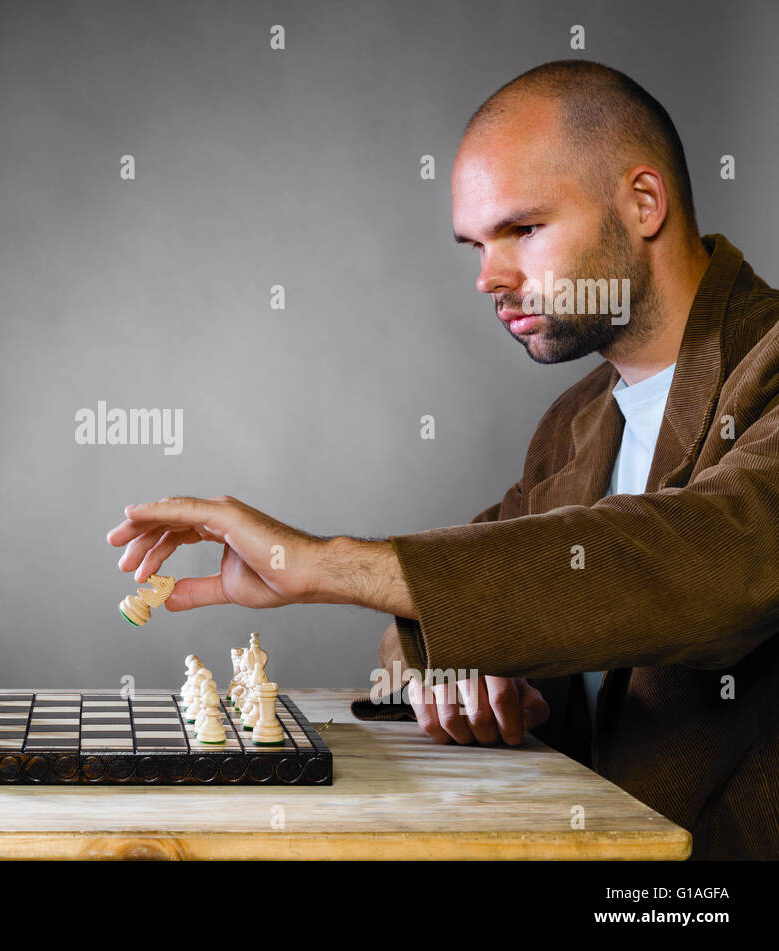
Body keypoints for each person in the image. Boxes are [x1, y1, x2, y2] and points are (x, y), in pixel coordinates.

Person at [106, 60, 779, 860]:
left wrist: (322, 565)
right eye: (475, 244)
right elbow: (440, 610)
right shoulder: (574, 422)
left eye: (523, 230)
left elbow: (702, 560)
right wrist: (448, 668)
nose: (489, 277)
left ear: (643, 202)